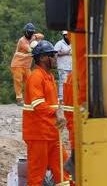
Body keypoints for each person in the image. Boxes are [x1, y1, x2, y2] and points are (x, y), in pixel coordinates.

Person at [22, 40, 69, 186]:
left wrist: (59, 113)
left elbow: (52, 105)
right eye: (52, 55)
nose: (55, 58)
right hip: (38, 136)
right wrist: (57, 112)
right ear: (42, 58)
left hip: (51, 134)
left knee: (64, 170)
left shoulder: (49, 77)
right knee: (36, 175)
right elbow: (38, 105)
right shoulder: (36, 76)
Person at [10, 23, 44, 106]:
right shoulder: (22, 40)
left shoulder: (33, 36)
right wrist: (36, 45)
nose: (30, 34)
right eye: (29, 32)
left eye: (32, 32)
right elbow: (30, 50)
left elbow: (42, 36)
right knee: (18, 82)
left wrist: (35, 36)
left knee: (30, 81)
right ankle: (19, 99)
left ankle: (30, 98)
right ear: (25, 32)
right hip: (17, 64)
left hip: (27, 65)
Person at [54, 31, 72, 100]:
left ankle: (68, 98)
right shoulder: (59, 43)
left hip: (71, 66)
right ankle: (61, 98)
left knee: (70, 83)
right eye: (66, 35)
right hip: (62, 67)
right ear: (64, 36)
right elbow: (54, 53)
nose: (68, 36)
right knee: (63, 82)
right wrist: (64, 53)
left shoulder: (72, 43)